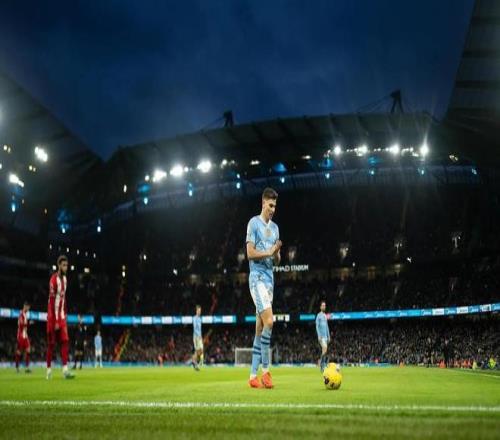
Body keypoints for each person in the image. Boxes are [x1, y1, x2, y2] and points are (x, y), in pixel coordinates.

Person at [246, 187, 281, 388]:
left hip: (269, 282)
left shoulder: (275, 228)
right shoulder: (253, 223)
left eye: (275, 206)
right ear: (263, 203)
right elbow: (250, 253)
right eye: (270, 205)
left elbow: (277, 260)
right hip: (257, 278)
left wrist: (276, 253)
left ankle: (252, 376)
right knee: (270, 321)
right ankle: (266, 372)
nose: (273, 209)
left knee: (260, 328)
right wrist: (269, 252)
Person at [46, 255, 75, 379]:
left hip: (62, 317)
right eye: (63, 265)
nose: (66, 267)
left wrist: (65, 314)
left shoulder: (65, 280)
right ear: (59, 266)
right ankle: (48, 370)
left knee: (65, 341)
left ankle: (65, 370)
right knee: (51, 344)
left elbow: (64, 298)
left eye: (67, 265)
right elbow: (52, 302)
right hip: (53, 317)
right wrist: (56, 320)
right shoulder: (53, 280)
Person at [15, 302, 32, 373]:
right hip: (21, 335)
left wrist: (27, 324)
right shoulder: (21, 314)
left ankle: (27, 368)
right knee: (19, 351)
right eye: (28, 307)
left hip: (25, 335)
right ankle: (17, 367)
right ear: (25, 306)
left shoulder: (25, 314)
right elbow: (21, 324)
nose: (28, 309)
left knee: (28, 350)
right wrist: (28, 323)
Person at [315, 301, 330, 372]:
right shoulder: (318, 315)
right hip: (321, 337)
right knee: (324, 348)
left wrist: (328, 336)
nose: (324, 307)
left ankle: (322, 364)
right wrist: (319, 335)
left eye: (325, 305)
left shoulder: (325, 316)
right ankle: (322, 364)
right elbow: (317, 326)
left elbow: (327, 326)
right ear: (320, 307)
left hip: (326, 337)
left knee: (324, 350)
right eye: (323, 305)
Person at [191, 305, 203, 371]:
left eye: (200, 311)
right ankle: (195, 363)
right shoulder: (194, 318)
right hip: (196, 336)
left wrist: (201, 335)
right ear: (196, 311)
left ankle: (193, 360)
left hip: (199, 336)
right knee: (198, 350)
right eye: (198, 311)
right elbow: (195, 328)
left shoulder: (200, 319)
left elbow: (200, 329)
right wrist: (198, 336)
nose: (199, 312)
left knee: (200, 350)